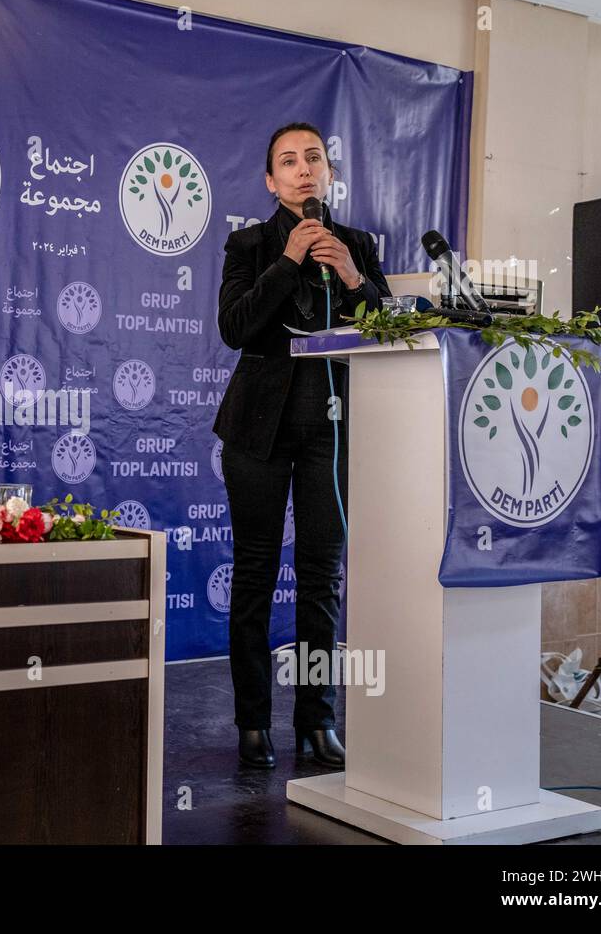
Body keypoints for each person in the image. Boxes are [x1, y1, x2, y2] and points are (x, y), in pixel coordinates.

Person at [213, 123, 392, 769]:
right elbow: (236, 329)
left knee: (322, 580)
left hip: (334, 434)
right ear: (270, 180)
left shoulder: (360, 246)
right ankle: (253, 723)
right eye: (287, 162)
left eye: (312, 157)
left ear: (329, 170)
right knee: (256, 576)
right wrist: (289, 259)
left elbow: (388, 331)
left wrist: (351, 275)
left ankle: (318, 720)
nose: (302, 169)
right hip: (258, 432)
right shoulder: (249, 243)